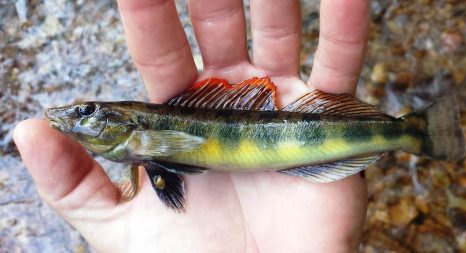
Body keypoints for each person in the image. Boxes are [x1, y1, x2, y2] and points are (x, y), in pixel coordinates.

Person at [14, 0, 370, 252]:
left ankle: (411, 132)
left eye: (88, 112)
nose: (77, 117)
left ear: (128, 123)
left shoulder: (146, 139)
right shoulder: (146, 144)